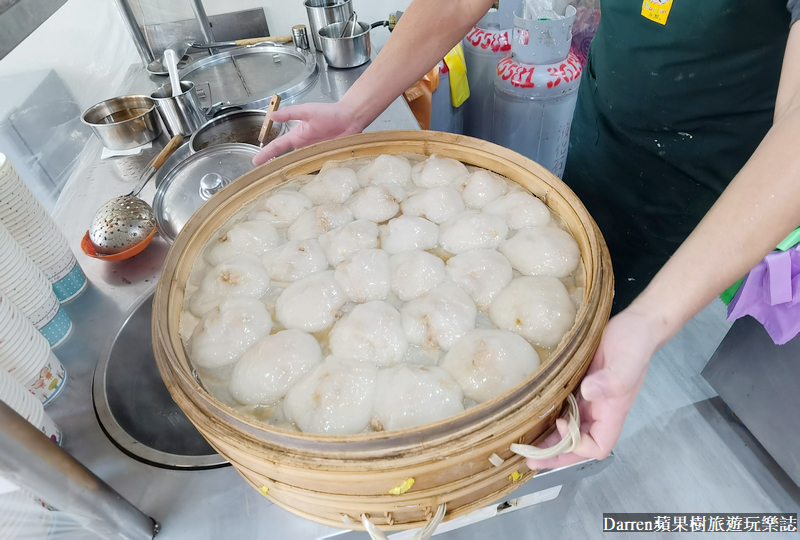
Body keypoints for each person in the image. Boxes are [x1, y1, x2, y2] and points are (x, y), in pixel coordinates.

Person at [253, 0, 800, 470]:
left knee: (595, 350)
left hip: (707, 188)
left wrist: (649, 322)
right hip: (604, 131)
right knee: (557, 288)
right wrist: (352, 110)